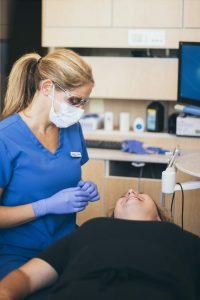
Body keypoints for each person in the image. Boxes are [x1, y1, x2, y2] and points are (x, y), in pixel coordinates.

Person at [0, 48, 100, 279]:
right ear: (47, 88)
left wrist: (82, 188)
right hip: (18, 253)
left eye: (84, 102)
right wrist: (45, 206)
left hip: (66, 246)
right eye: (74, 100)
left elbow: (58, 175)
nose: (80, 110)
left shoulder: (72, 129)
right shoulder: (6, 139)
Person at [0, 189, 199, 300]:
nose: (129, 192)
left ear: (160, 218)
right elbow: (26, 277)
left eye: (140, 193)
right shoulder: (92, 229)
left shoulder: (179, 238)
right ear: (112, 218)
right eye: (123, 195)